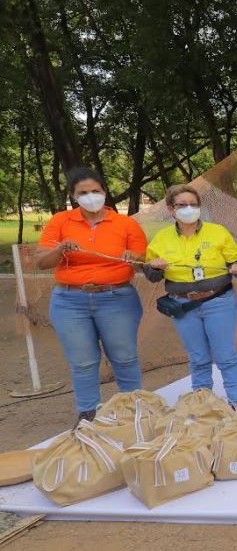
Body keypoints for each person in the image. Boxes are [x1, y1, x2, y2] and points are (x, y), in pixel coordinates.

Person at [36, 167, 147, 421]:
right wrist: (61, 249)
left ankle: (135, 412)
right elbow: (42, 262)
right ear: (74, 197)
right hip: (69, 302)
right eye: (83, 192)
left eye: (95, 191)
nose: (90, 196)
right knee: (83, 363)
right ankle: (88, 416)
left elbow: (143, 259)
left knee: (124, 357)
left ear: (105, 193)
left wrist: (135, 257)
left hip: (117, 299)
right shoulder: (60, 221)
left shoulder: (126, 224)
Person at [144, 185, 237, 410]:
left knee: (226, 356)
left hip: (218, 301)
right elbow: (151, 275)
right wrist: (155, 267)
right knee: (198, 359)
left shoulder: (218, 232)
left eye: (194, 204)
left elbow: (236, 260)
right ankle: (203, 406)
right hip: (183, 305)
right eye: (183, 205)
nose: (189, 209)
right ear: (172, 209)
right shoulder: (161, 239)